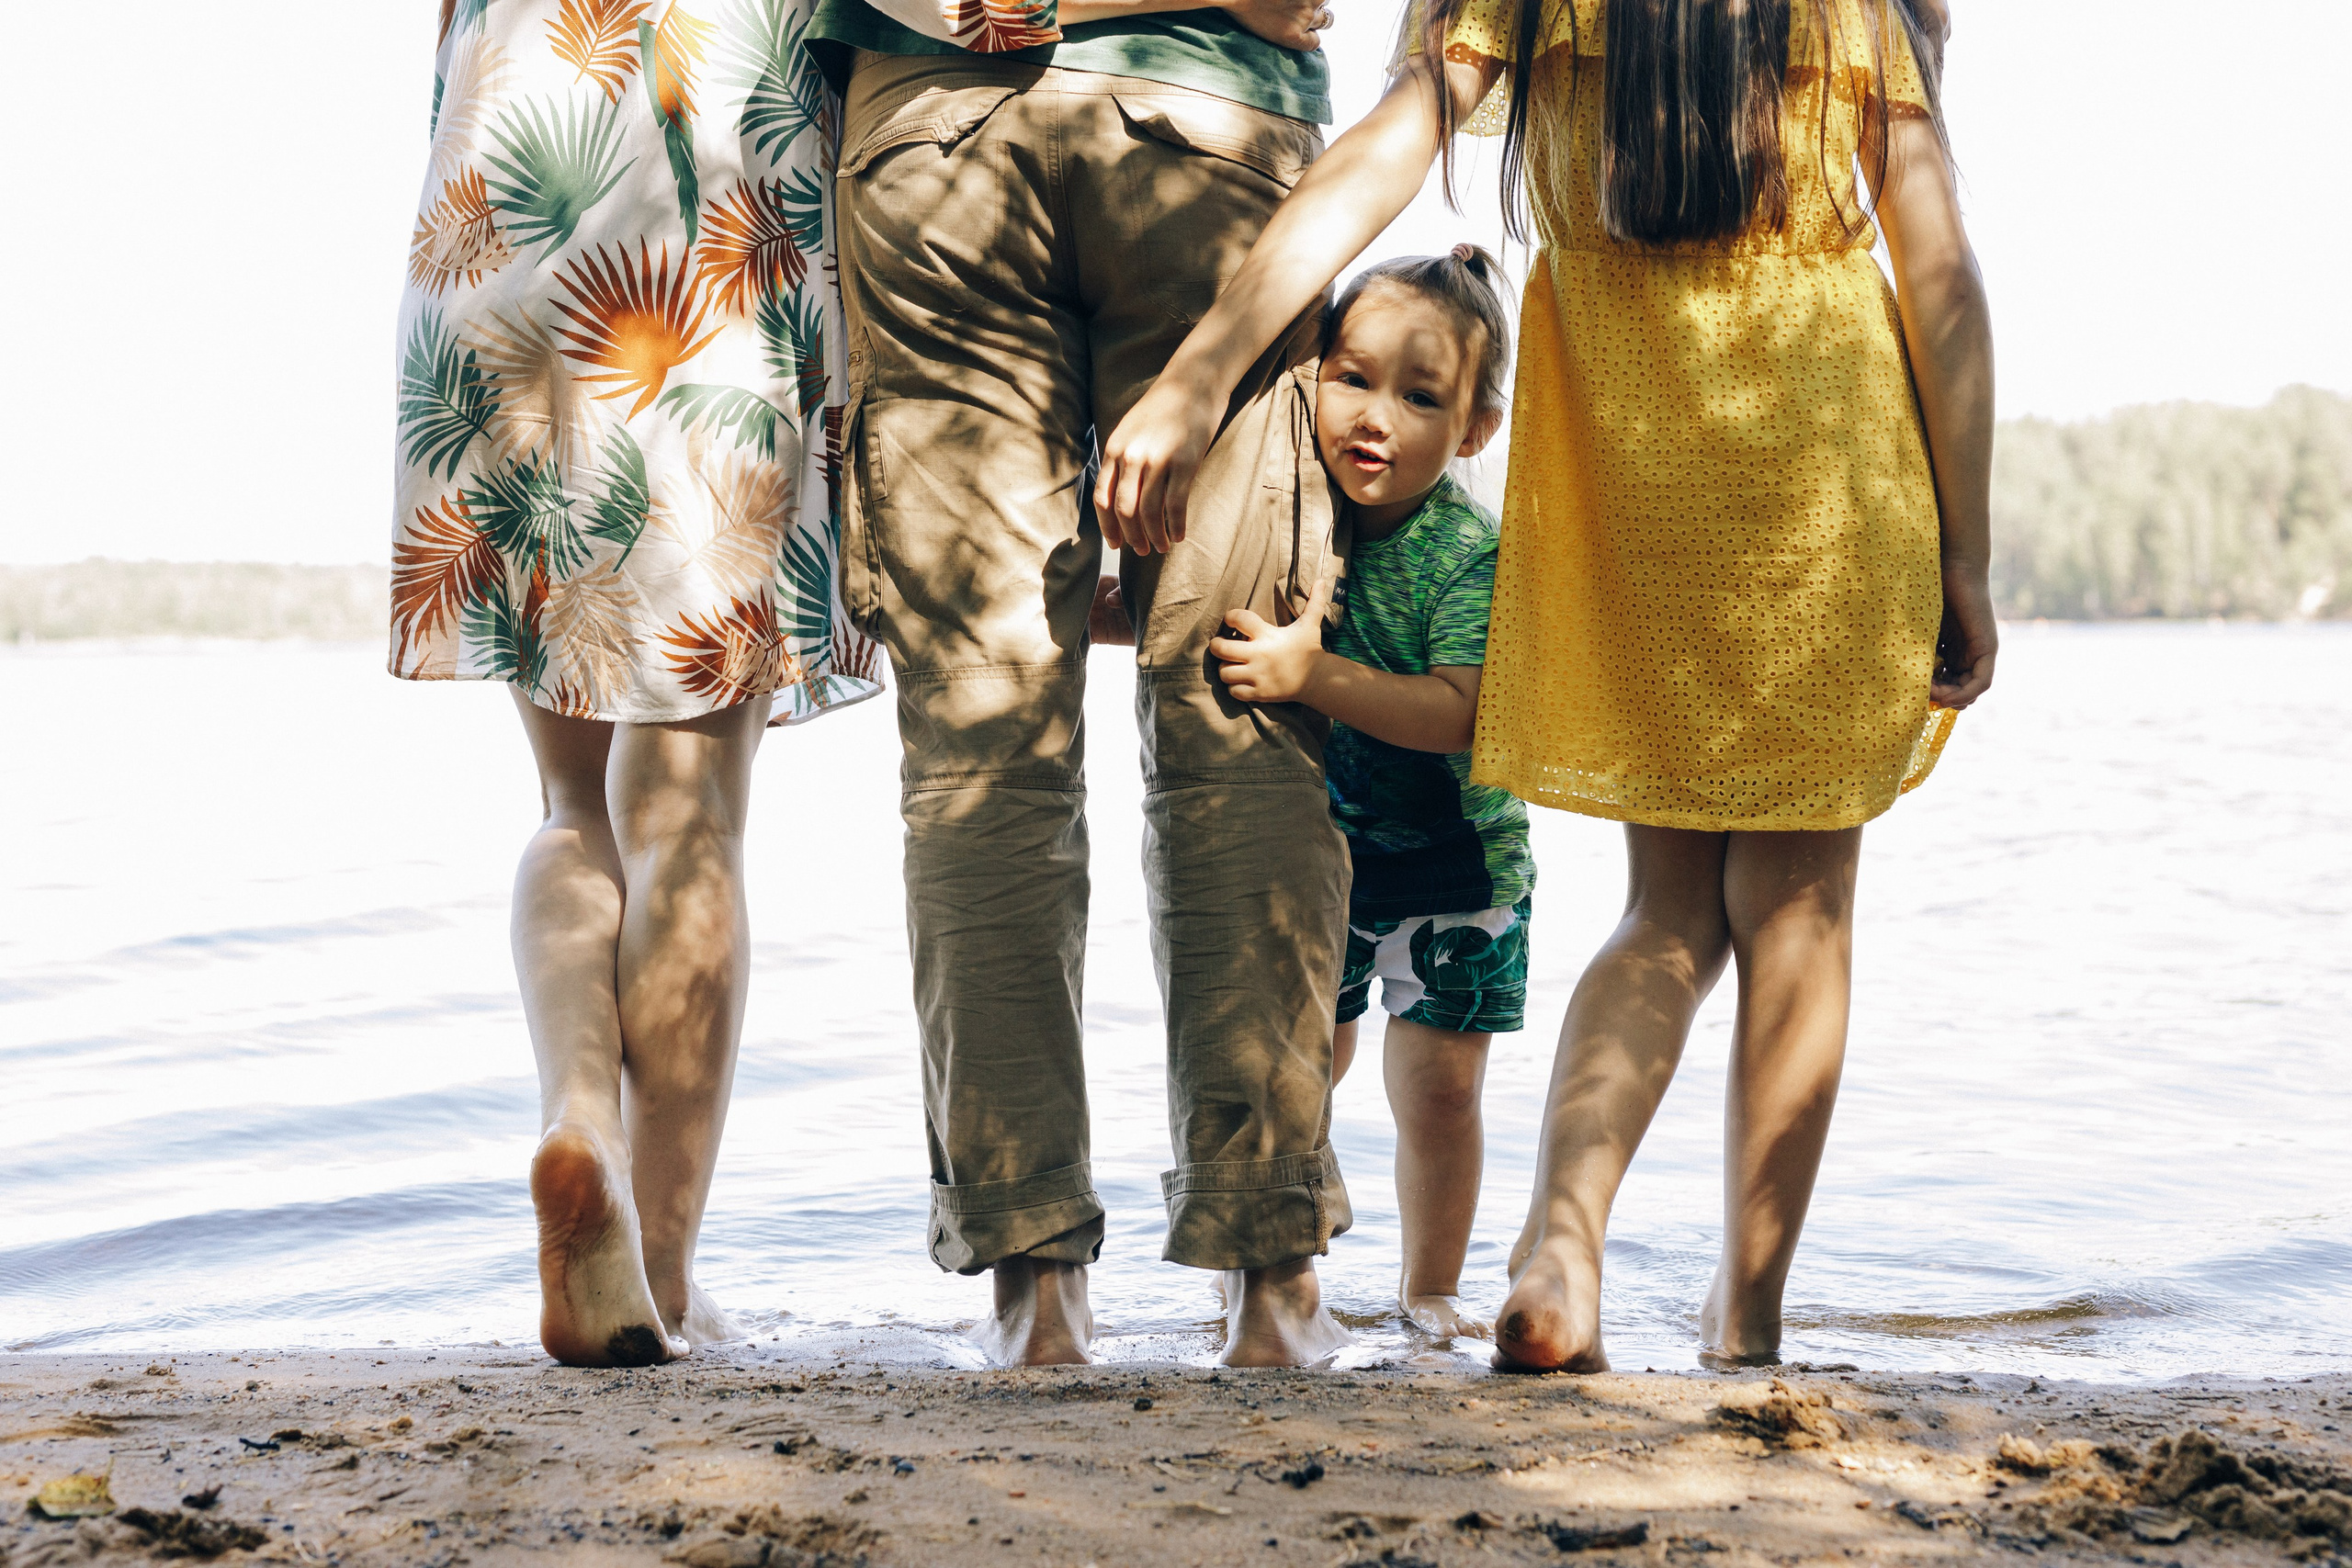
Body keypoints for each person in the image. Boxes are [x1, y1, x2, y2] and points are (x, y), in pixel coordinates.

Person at [1094, 0, 1997, 1371]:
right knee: (1798, 906)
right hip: (1829, 471)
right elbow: (1938, 268)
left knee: (1669, 909)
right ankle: (1744, 1314)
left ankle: (1563, 1244)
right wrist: (1969, 550)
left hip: (1637, 475)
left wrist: (1210, 362)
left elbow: (1383, 155)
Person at [387, 0, 1008, 1366]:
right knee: (688, 807)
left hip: (492, 235)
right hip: (693, 267)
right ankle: (657, 1271)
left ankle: (581, 1121)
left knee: (570, 796)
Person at [805, 0, 1357, 1365]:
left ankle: (1035, 1288)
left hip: (932, 137)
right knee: (1246, 702)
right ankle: (1269, 1279)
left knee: (981, 745)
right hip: (1206, 121)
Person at [1188, 248, 1530, 1341]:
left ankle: (1429, 1286)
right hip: (1325, 859)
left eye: (1419, 397)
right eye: (1353, 378)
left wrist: (1310, 675)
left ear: (1473, 429)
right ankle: (1275, 1269)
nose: (1375, 416)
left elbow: (1458, 711)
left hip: (1457, 867)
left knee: (1436, 1090)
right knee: (1305, 1066)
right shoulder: (1293, 518)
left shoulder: (1465, 554)